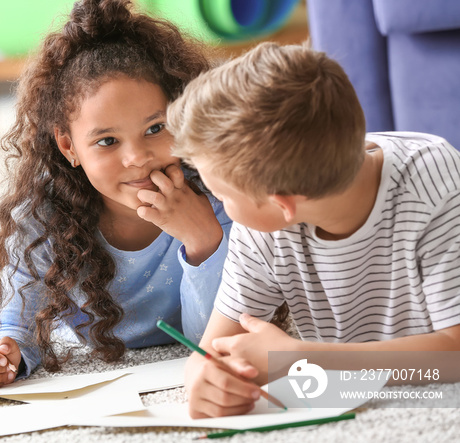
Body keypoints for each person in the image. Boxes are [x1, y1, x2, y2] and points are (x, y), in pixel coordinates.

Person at [167, 42, 460, 418]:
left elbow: (453, 356)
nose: (220, 206)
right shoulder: (262, 229)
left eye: (221, 195)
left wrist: (302, 359)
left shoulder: (437, 188)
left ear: (282, 204)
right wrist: (204, 377)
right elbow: (213, 349)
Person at [0, 0, 233, 391]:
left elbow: (216, 341)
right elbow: (16, 329)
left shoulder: (219, 190)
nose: (137, 158)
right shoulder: (43, 215)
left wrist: (203, 239)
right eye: (107, 141)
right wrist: (4, 356)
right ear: (69, 147)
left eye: (156, 128)